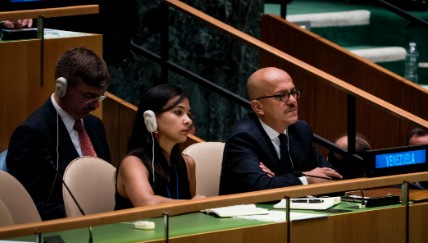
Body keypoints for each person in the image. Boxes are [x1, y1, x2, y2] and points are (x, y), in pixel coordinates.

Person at [6, 47, 111, 220]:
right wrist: (81, 215)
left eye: (99, 97)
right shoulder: (31, 134)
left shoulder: (95, 126)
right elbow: (30, 206)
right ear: (61, 87)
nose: (95, 106)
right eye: (87, 96)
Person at [219, 67, 342, 195]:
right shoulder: (243, 137)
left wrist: (279, 179)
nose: (293, 101)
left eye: (293, 92)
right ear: (258, 107)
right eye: (281, 96)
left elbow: (332, 177)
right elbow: (261, 188)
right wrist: (306, 179)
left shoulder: (300, 130)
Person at [115, 84, 205, 209]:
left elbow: (189, 213)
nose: (188, 120)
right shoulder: (133, 163)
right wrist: (192, 204)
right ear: (151, 118)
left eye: (188, 114)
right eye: (178, 112)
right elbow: (146, 203)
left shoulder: (188, 162)